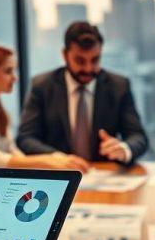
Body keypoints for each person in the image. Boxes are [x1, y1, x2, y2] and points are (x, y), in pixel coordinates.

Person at [17, 22, 148, 164]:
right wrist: (56, 158)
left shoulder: (119, 86)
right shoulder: (42, 86)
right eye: (80, 61)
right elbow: (26, 138)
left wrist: (123, 148)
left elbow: (138, 137)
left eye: (95, 60)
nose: (88, 68)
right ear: (65, 55)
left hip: (104, 175)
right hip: (60, 174)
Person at [0, 45, 90, 171]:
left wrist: (58, 159)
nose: (15, 78)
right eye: (8, 71)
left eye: (14, 71)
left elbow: (13, 152)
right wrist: (46, 160)